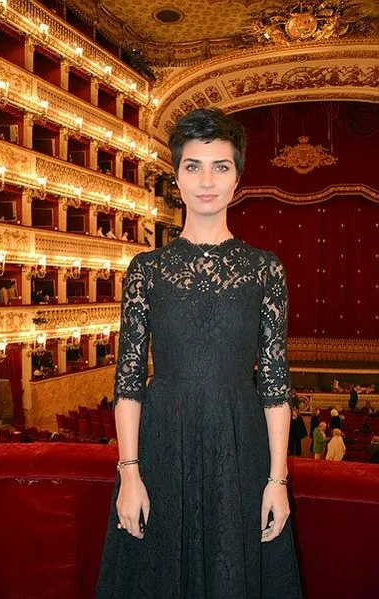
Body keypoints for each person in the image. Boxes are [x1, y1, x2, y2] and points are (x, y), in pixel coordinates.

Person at [96, 108, 302, 598]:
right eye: (193, 166)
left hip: (241, 447)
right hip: (162, 445)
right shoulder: (146, 270)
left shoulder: (265, 270)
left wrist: (277, 481)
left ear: (237, 178)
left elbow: (275, 385)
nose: (206, 181)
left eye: (220, 167)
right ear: (176, 178)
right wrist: (130, 473)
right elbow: (128, 381)